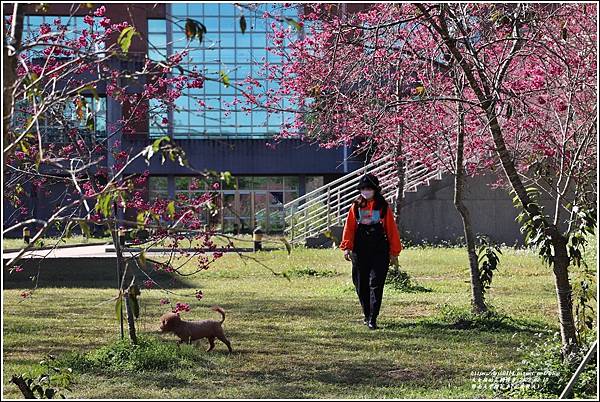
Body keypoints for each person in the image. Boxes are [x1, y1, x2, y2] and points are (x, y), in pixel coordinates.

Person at [339, 173, 402, 330]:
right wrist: (347, 246)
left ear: (375, 190)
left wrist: (394, 252)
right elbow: (350, 227)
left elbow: (391, 229)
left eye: (368, 189)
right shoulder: (356, 206)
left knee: (376, 283)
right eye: (363, 189)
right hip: (360, 250)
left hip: (379, 250)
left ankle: (373, 318)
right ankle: (366, 314)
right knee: (361, 284)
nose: (366, 192)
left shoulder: (383, 206)